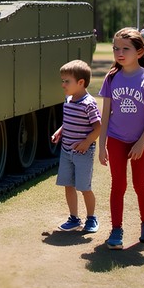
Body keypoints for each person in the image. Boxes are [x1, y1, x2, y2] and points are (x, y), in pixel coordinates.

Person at [99, 27, 144, 250]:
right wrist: (101, 145)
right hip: (116, 139)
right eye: (116, 48)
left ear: (139, 51)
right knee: (118, 185)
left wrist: (141, 141)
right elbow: (105, 114)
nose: (119, 52)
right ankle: (116, 230)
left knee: (140, 184)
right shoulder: (111, 77)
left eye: (125, 48)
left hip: (140, 140)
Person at [51, 60, 101, 233]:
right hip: (66, 152)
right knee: (68, 185)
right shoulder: (68, 100)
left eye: (67, 81)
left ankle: (91, 218)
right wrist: (60, 131)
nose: (63, 84)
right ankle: (73, 218)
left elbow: (98, 127)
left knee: (84, 187)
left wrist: (87, 143)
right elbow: (69, 122)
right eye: (62, 80)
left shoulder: (89, 104)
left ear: (80, 83)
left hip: (83, 153)